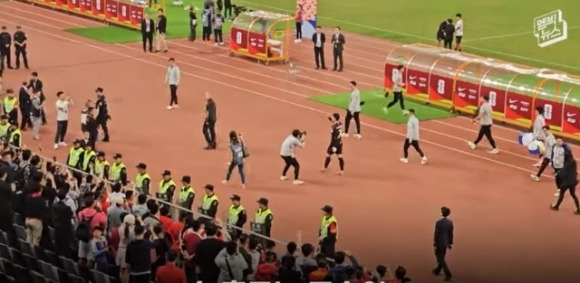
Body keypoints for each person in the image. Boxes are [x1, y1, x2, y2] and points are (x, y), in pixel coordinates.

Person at [551, 150, 580, 215]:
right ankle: (578, 208)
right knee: (573, 195)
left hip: (566, 183)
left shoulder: (565, 164)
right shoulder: (574, 162)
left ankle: (556, 206)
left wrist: (558, 174)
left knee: (561, 195)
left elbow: (562, 174)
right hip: (573, 181)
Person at [432, 206, 454, 281]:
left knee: (440, 259)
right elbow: (450, 233)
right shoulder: (450, 222)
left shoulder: (439, 222)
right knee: (441, 257)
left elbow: (437, 233)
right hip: (445, 243)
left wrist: (435, 242)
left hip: (439, 243)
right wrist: (450, 243)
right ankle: (437, 270)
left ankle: (448, 274)